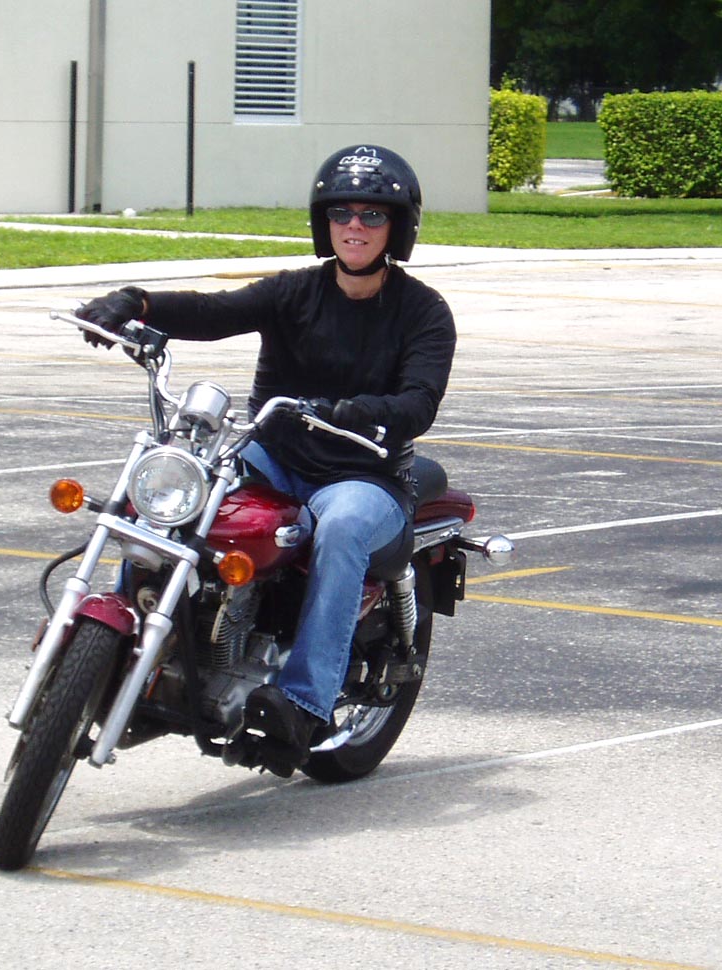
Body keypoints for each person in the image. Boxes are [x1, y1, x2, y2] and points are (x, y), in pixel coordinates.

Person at [76, 145, 456, 777]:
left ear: (398, 227)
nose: (354, 226)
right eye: (341, 213)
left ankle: (302, 703)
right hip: (272, 455)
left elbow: (419, 402)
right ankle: (124, 642)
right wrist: (134, 304)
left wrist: (357, 410)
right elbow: (212, 311)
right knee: (176, 492)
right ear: (323, 222)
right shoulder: (294, 291)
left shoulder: (424, 311)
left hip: (363, 474)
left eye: (372, 214)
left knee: (341, 528)